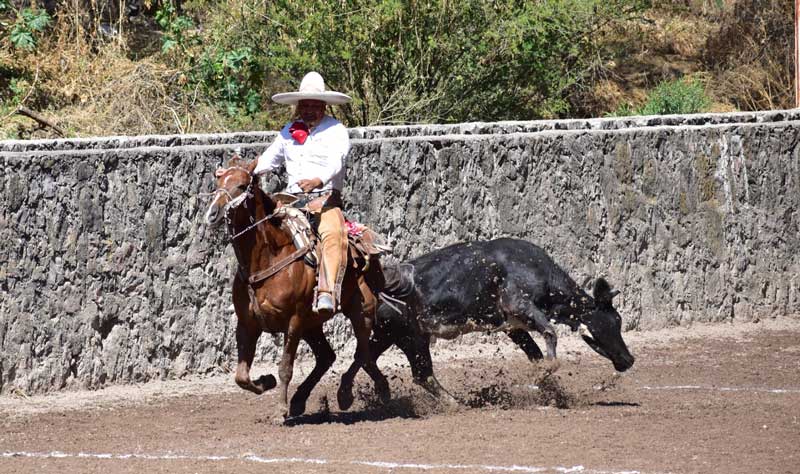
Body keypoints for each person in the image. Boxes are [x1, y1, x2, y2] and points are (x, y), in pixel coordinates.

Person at [254, 71, 352, 314]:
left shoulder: (336, 130)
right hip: (290, 202)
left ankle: (327, 292)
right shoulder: (288, 131)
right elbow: (269, 159)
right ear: (298, 107)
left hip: (324, 201)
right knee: (262, 230)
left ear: (323, 106)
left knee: (332, 234)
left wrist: (318, 180)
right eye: (304, 104)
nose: (308, 109)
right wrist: (244, 171)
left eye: (314, 105)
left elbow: (337, 161)